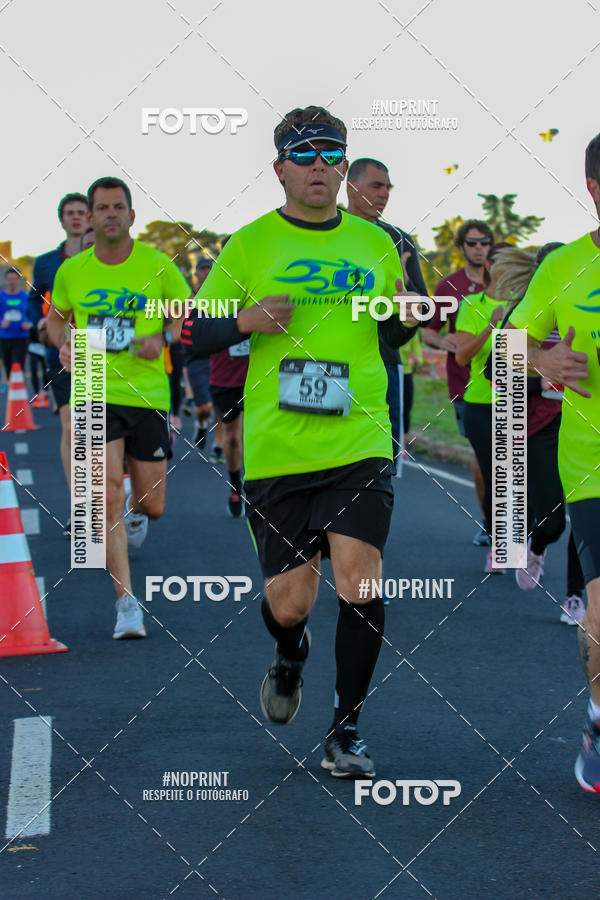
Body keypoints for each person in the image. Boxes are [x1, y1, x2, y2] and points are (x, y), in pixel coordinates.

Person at [180, 105, 419, 778]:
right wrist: (244, 321)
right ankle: (290, 654)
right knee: (290, 602)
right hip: (280, 449)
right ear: (280, 167)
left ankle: (346, 731)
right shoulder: (251, 244)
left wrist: (402, 318)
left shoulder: (377, 244)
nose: (320, 165)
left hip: (359, 439)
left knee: (360, 578)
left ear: (344, 167)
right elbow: (192, 334)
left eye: (332, 153)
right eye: (305, 154)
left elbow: (393, 335)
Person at [46, 176, 190, 640]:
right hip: (91, 382)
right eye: (101, 208)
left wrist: (162, 337)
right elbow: (55, 320)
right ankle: (127, 604)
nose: (110, 214)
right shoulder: (73, 271)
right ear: (90, 217)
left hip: (146, 392)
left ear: (132, 216)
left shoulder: (158, 265)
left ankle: (135, 505)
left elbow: (183, 313)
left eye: (118, 207)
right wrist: (64, 345)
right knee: (104, 493)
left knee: (155, 505)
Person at [507, 133, 600, 792]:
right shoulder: (564, 266)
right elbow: (504, 348)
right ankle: (599, 715)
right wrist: (541, 360)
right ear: (594, 188)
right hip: (593, 462)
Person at [483, 245, 567, 602]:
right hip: (535, 423)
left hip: (580, 420)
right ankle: (533, 543)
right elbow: (494, 370)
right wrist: (542, 381)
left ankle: (577, 597)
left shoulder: (586, 306)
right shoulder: (525, 312)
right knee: (553, 521)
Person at [346, 158, 427, 467]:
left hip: (383, 363)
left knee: (381, 463)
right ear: (352, 187)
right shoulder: (326, 230)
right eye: (376, 186)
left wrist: (409, 294)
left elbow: (425, 308)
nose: (384, 194)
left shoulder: (398, 239)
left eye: (387, 187)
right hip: (327, 364)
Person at [422, 220, 494, 546]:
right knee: (482, 460)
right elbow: (429, 331)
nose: (479, 248)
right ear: (462, 247)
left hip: (510, 385)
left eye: (485, 243)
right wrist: (444, 343)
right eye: (473, 243)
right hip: (466, 385)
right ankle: (490, 522)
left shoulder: (506, 285)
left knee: (513, 457)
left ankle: (518, 524)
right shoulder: (450, 286)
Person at [28, 192, 89, 532]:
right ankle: (79, 507)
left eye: (82, 212)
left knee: (100, 430)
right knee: (72, 427)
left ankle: (110, 499)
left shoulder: (105, 257)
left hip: (105, 354)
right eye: (71, 213)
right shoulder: (48, 263)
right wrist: (38, 321)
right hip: (62, 353)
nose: (77, 217)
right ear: (62, 219)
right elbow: (33, 298)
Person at [454, 247, 507, 572]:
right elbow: (461, 356)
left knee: (516, 474)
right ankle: (500, 546)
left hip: (519, 400)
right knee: (493, 473)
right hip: (480, 403)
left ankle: (520, 539)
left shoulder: (526, 303)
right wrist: (489, 327)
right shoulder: (472, 305)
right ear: (489, 267)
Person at [185, 258, 215, 449]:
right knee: (204, 406)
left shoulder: (218, 293)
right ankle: (201, 423)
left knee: (217, 406)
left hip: (217, 355)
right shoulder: (189, 297)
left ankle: (217, 442)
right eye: (202, 270)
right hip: (196, 357)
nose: (206, 273)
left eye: (209, 269)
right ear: (196, 274)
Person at [0, 268, 32, 392]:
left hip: (21, 336)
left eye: (14, 279)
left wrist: (29, 324)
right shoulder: (1, 296)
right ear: (6, 280)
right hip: (4, 336)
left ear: (18, 280)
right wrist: (1, 322)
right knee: (8, 365)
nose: (11, 282)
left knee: (18, 364)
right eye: (9, 279)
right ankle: (10, 386)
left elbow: (32, 315)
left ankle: (18, 389)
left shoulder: (25, 297)